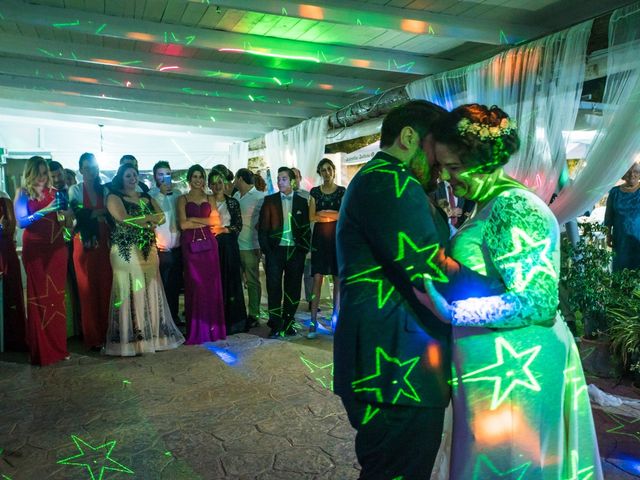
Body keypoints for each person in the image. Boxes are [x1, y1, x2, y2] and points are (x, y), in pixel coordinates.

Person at [420, 104, 602, 479]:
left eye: (454, 167)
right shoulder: (486, 202)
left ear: (484, 159)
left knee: (512, 463)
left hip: (519, 368)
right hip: (493, 365)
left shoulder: (515, 208)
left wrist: (453, 312)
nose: (448, 178)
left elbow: (537, 302)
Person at [334, 101, 499, 479]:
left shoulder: (382, 179)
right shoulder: (390, 181)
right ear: (409, 137)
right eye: (435, 154)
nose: (440, 169)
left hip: (391, 365)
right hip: (395, 367)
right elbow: (431, 270)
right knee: (398, 469)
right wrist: (508, 289)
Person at [105, 163, 184, 356]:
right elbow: (124, 219)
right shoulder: (114, 197)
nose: (133, 179)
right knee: (132, 290)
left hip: (148, 249)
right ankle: (134, 340)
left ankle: (154, 336)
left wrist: (147, 220)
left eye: (135, 175)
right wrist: (148, 220)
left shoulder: (145, 196)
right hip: (126, 250)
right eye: (128, 176)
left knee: (151, 288)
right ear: (121, 178)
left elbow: (161, 218)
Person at [14, 156, 74, 365]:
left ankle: (59, 347)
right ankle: (42, 351)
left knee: (56, 299)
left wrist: (67, 215)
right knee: (39, 299)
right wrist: (46, 210)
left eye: (44, 173)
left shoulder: (56, 193)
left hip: (56, 247)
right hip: (36, 250)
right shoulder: (23, 194)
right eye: (38, 173)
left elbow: (67, 220)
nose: (42, 177)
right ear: (30, 173)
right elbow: (21, 221)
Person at [258, 166, 311, 338]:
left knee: (293, 288)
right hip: (275, 251)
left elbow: (305, 228)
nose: (280, 181)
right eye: (279, 178)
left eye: (284, 178)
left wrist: (303, 248)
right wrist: (267, 250)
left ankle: (288, 322)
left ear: (292, 181)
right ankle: (275, 323)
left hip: (295, 251)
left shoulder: (302, 202)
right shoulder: (269, 200)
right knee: (273, 288)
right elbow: (263, 228)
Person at [177, 164, 226, 344]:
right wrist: (203, 222)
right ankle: (198, 330)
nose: (198, 180)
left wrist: (194, 219)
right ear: (189, 179)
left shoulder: (210, 197)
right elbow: (183, 225)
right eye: (195, 177)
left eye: (201, 177)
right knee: (195, 287)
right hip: (190, 246)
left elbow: (216, 220)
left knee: (211, 286)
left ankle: (213, 329)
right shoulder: (182, 199)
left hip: (209, 246)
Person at [69, 152, 113, 349]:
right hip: (84, 246)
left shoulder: (104, 190)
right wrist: (98, 213)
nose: (91, 172)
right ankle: (93, 338)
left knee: (105, 288)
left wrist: (93, 214)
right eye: (87, 168)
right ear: (80, 170)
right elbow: (78, 213)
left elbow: (111, 213)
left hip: (104, 245)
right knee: (87, 292)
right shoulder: (75, 190)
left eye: (94, 168)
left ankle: (107, 334)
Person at [307, 159, 345, 339]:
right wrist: (331, 214)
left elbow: (343, 215)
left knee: (337, 279)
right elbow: (312, 217)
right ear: (319, 173)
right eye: (323, 170)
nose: (326, 173)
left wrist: (324, 213)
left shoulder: (342, 191)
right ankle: (313, 321)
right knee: (317, 279)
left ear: (334, 171)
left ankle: (335, 318)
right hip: (320, 239)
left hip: (337, 239)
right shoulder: (314, 192)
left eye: (329, 169)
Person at [209, 168, 247, 334]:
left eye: (220, 182)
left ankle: (234, 322)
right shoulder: (206, 202)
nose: (217, 186)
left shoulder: (232, 202)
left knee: (231, 281)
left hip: (229, 245)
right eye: (214, 183)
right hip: (211, 246)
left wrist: (224, 230)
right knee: (214, 282)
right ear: (209, 185)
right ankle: (215, 321)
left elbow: (238, 225)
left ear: (224, 184)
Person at [149, 161, 182, 323]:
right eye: (160, 174)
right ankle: (162, 320)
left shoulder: (178, 194)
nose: (164, 177)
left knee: (175, 286)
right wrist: (161, 194)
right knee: (162, 286)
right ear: (155, 176)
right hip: (161, 249)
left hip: (178, 247)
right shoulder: (151, 195)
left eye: (167, 174)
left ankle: (174, 317)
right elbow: (157, 217)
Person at [233, 168, 265, 328]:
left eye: (235, 179)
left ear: (240, 179)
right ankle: (238, 312)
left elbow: (264, 222)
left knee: (252, 281)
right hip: (235, 245)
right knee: (236, 281)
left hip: (251, 245)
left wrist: (261, 244)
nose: (233, 182)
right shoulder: (236, 196)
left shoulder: (260, 196)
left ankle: (254, 314)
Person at [0, 190, 26, 351]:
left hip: (4, 251)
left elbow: (9, 227)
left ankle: (12, 337)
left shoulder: (3, 197)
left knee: (9, 292)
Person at [604, 162, 640, 272]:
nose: (632, 175)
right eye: (628, 172)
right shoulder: (614, 192)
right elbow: (609, 215)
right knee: (621, 266)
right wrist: (608, 234)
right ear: (623, 174)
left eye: (636, 172)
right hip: (620, 238)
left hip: (638, 238)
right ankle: (619, 289)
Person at [292, 167, 314, 312]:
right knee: (294, 273)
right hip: (291, 241)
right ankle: (292, 301)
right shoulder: (282, 196)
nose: (294, 179)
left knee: (309, 272)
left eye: (296, 176)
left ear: (300, 178)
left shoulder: (308, 196)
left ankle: (311, 301)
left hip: (308, 239)